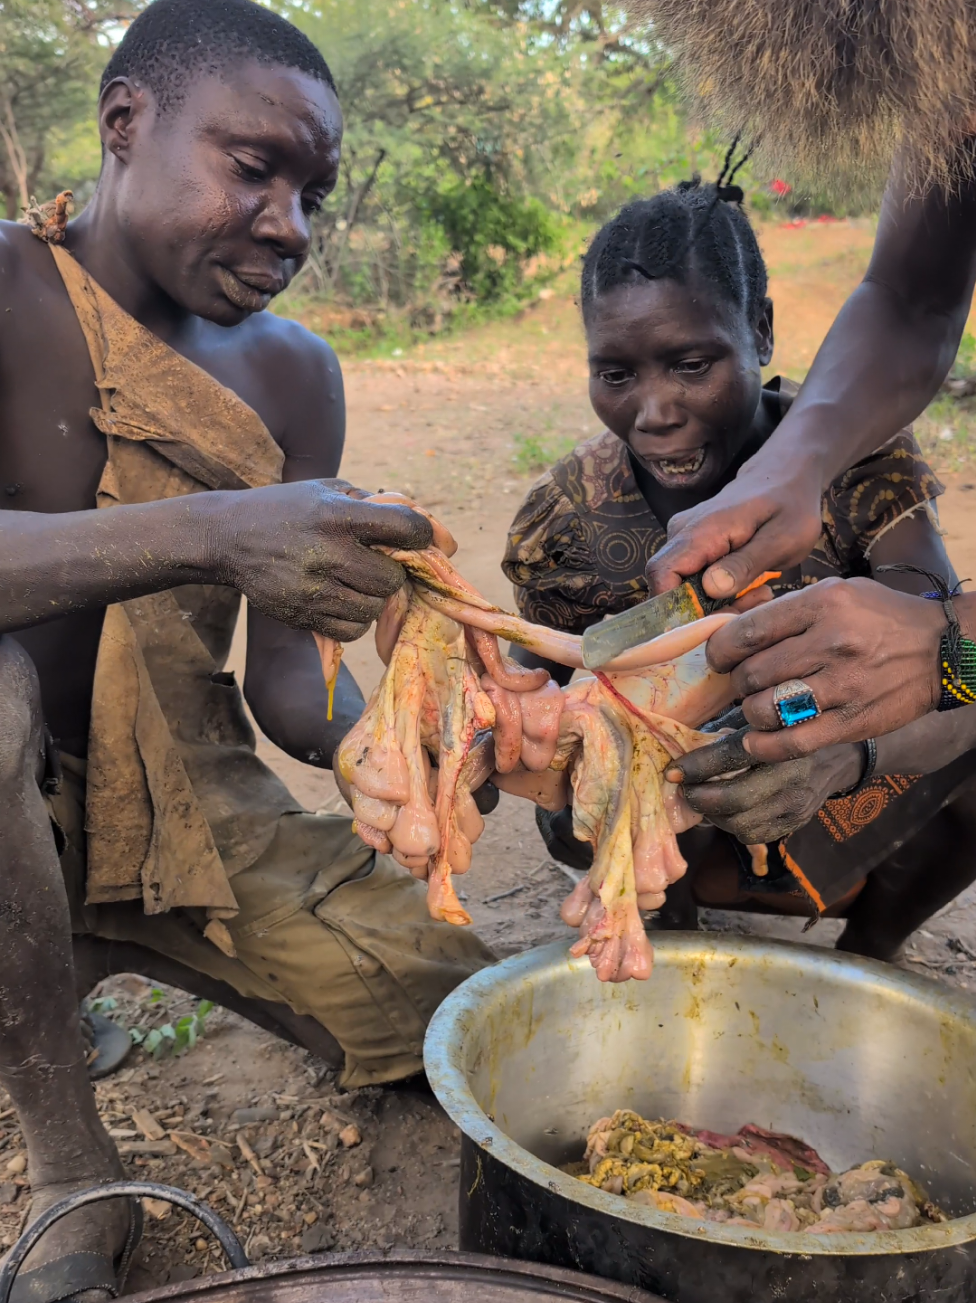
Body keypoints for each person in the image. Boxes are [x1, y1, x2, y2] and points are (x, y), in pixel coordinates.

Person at [0, 1, 494, 1295]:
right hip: (6, 791)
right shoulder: (3, 293)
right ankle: (68, 1159)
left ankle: (94, 946)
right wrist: (217, 527)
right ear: (124, 124)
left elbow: (282, 680)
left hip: (181, 799)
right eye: (253, 167)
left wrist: (406, 744)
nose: (291, 224)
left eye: (314, 190)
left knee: (451, 1005)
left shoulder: (296, 376)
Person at [502, 178, 976, 952]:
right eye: (615, 375)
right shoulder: (565, 514)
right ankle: (672, 930)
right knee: (632, 753)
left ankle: (867, 958)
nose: (654, 412)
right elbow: (537, 669)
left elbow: (960, 664)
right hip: (680, 815)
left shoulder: (856, 459)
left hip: (845, 771)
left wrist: (844, 745)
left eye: (690, 365)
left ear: (758, 332)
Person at [616, 0, 976, 762]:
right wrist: (790, 464)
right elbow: (911, 297)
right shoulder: (951, 65)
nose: (952, 133)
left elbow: (954, 669)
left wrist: (951, 648)